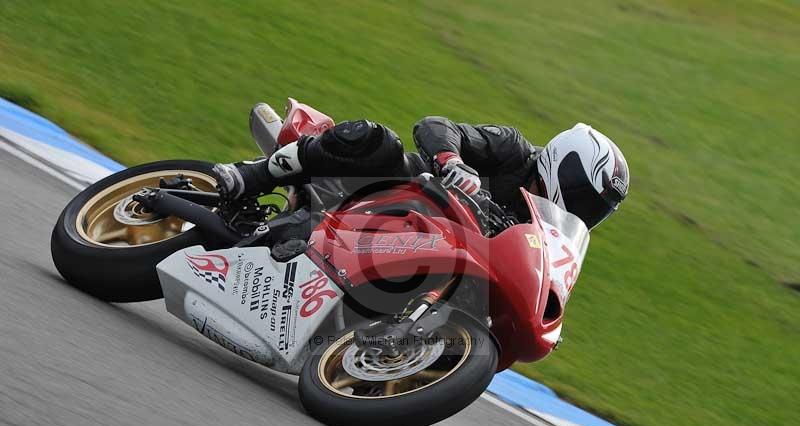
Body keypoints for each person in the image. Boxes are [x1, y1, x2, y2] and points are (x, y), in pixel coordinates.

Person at [214, 115, 629, 229]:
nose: (586, 211)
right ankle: (252, 176)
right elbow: (435, 126)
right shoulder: (513, 149)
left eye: (598, 210)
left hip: (422, 247)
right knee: (375, 139)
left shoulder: (545, 233)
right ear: (566, 168)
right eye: (586, 197)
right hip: (393, 189)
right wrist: (452, 161)